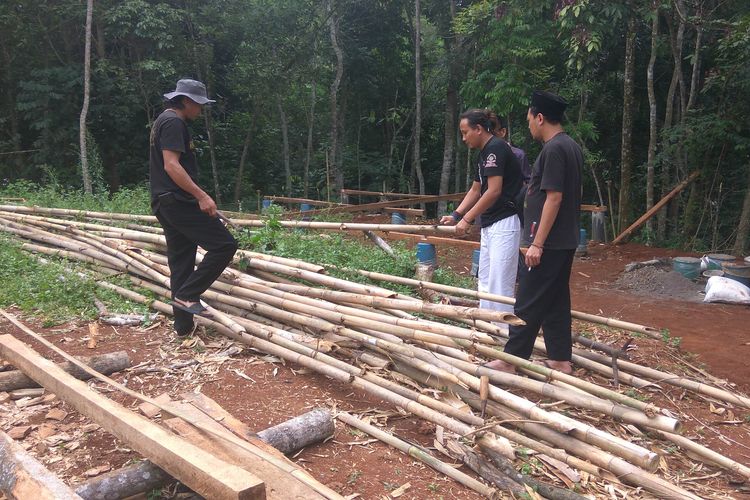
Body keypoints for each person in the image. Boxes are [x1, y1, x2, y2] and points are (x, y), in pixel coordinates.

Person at [485, 91, 582, 375]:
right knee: (555, 300)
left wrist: (537, 243)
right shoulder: (571, 146)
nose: (528, 126)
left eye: (529, 119)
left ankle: (511, 360)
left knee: (527, 299)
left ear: (540, 118)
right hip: (564, 240)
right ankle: (560, 359)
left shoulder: (553, 150)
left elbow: (554, 198)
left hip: (548, 242)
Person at [149, 78, 238, 335]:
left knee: (181, 262)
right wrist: (202, 196)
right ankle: (188, 294)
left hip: (165, 202)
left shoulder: (162, 121)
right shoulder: (174, 122)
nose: (200, 110)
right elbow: (172, 165)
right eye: (198, 105)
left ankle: (183, 328)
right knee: (224, 245)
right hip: (177, 201)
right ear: (186, 101)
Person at [440, 109, 523, 315]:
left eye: (465, 132)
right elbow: (476, 189)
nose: (463, 138)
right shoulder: (484, 153)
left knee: (499, 284)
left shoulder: (496, 149)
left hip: (504, 222)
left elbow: (493, 191)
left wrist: (467, 220)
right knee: (485, 279)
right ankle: (487, 328)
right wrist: (456, 215)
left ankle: (502, 333)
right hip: (489, 223)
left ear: (478, 129)